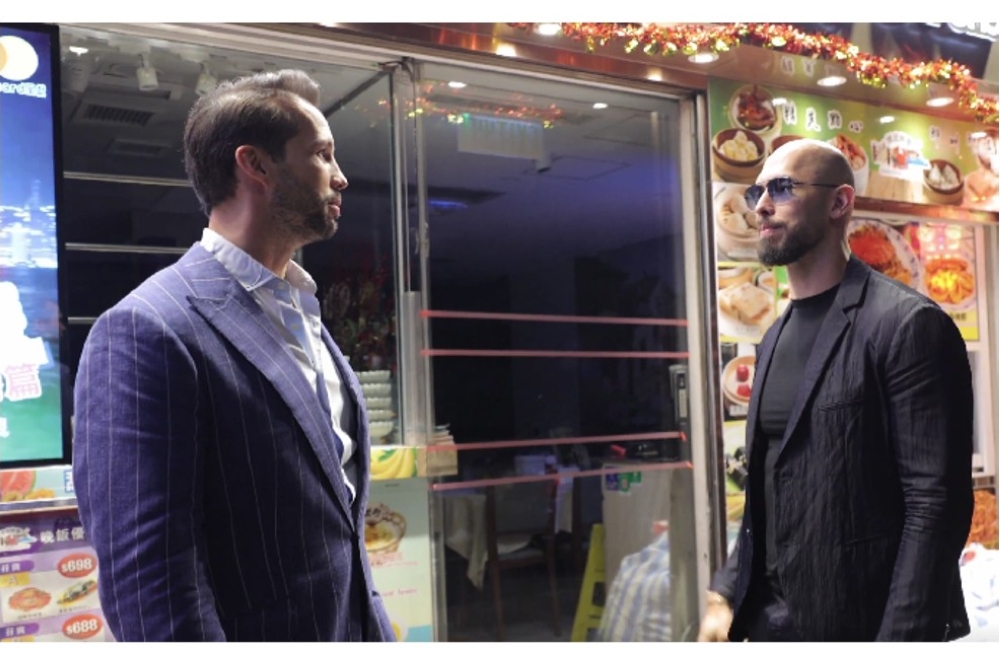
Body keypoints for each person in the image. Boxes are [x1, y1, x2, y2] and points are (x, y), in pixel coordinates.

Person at [72, 69, 394, 642]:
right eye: (321, 155)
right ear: (257, 166)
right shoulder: (147, 329)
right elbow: (152, 590)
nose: (341, 178)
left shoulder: (302, 312)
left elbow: (335, 534)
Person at [698, 139, 974, 642]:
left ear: (839, 203)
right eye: (757, 190)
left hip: (856, 622)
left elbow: (934, 504)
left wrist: (900, 645)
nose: (761, 204)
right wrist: (726, 591)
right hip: (765, 622)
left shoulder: (907, 325)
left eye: (782, 188)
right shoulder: (773, 335)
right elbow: (769, 483)